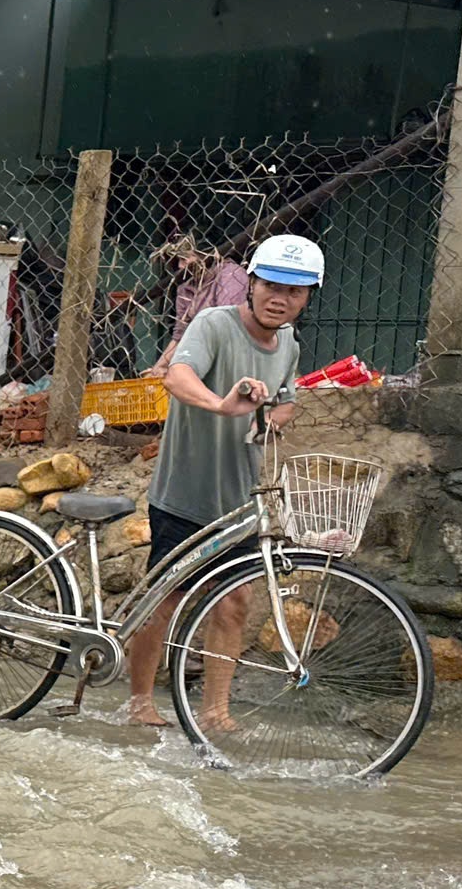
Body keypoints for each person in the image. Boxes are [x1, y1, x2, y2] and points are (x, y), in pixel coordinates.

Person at [124, 234, 319, 730]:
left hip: (238, 498)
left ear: (308, 296)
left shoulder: (289, 343)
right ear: (250, 283)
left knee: (234, 602)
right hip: (186, 490)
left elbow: (288, 399)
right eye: (271, 285)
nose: (280, 298)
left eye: (294, 291)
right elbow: (176, 376)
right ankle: (139, 702)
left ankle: (215, 712)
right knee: (163, 599)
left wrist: (273, 416)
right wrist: (219, 404)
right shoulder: (214, 324)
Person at [143, 235, 249, 377]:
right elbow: (180, 334)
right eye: (179, 259)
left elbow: (225, 324)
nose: (181, 266)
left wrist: (179, 367)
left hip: (228, 354)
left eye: (185, 258)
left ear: (204, 255)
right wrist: (159, 367)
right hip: (196, 352)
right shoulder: (186, 287)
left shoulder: (230, 274)